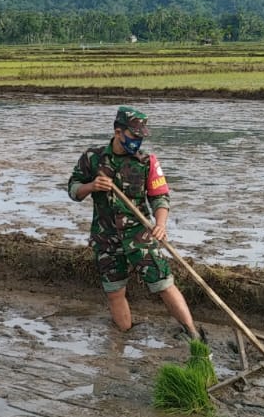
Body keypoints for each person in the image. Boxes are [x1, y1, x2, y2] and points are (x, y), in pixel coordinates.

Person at [68, 106, 203, 340]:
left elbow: (160, 197)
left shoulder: (147, 162)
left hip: (140, 235)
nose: (137, 141)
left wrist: (160, 224)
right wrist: (92, 187)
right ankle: (123, 337)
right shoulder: (93, 158)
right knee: (114, 291)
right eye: (133, 135)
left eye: (141, 136)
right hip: (106, 237)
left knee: (162, 283)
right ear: (118, 132)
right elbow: (73, 189)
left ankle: (193, 334)